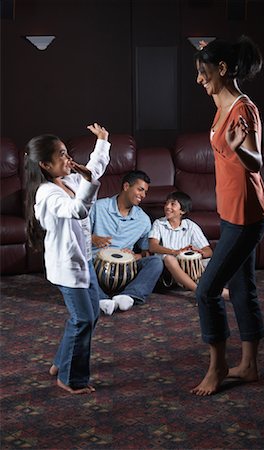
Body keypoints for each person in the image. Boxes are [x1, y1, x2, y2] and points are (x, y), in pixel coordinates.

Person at [190, 36, 264, 396]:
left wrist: (243, 149)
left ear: (222, 70)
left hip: (247, 216)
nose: (199, 80)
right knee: (241, 287)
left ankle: (218, 365)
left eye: (204, 72)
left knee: (206, 291)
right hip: (231, 212)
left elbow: (256, 161)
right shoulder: (221, 104)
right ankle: (250, 365)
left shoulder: (242, 109)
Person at [24, 123, 110, 394]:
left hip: (83, 262)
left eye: (66, 151)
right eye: (61, 154)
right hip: (67, 268)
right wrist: (88, 180)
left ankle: (61, 362)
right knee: (83, 318)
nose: (68, 158)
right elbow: (78, 210)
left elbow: (92, 171)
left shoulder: (70, 179)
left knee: (91, 314)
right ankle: (70, 378)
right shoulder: (47, 194)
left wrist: (102, 141)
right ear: (45, 165)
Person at [90, 170, 163, 315]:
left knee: (156, 262)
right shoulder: (98, 207)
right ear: (126, 186)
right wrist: (93, 238)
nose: (143, 195)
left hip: (125, 271)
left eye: (145, 192)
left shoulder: (143, 220)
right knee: (78, 262)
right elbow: (76, 234)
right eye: (140, 189)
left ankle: (129, 296)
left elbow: (146, 251)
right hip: (95, 266)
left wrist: (136, 256)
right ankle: (101, 299)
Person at [149, 191, 229, 298]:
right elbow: (152, 246)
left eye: (173, 204)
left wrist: (199, 253)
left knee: (212, 261)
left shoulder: (191, 226)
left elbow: (208, 251)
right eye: (166, 203)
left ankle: (216, 290)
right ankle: (199, 291)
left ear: (183, 210)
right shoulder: (159, 224)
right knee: (169, 258)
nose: (167, 207)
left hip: (189, 268)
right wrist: (175, 252)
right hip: (167, 271)